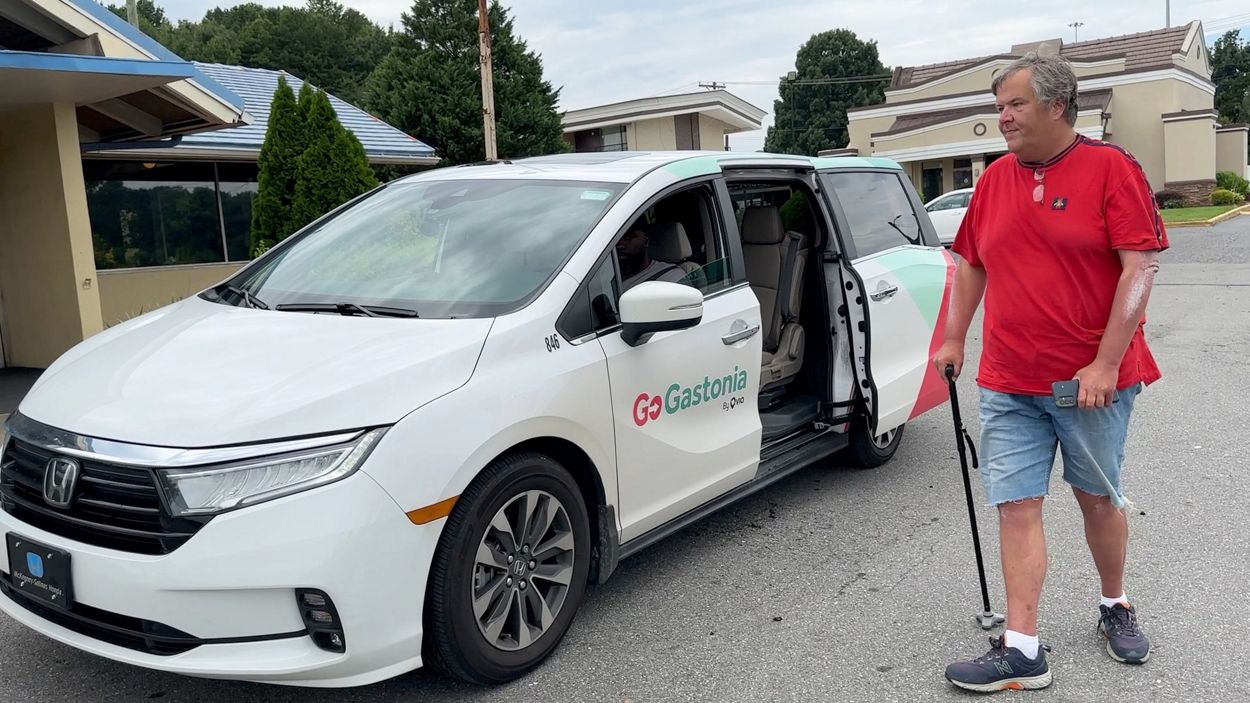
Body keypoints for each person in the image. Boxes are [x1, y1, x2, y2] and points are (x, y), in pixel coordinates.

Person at [934, 52, 1168, 693]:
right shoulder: (993, 180)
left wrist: (1106, 362)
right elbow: (973, 261)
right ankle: (1022, 648)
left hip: (1090, 385)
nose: (1003, 117)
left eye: (1015, 104)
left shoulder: (1111, 169)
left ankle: (1115, 602)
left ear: (1058, 105)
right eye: (999, 106)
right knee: (1016, 506)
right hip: (1009, 379)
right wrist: (954, 337)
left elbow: (1140, 266)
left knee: (1098, 499)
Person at [617, 221, 689, 290]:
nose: (619, 245)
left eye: (628, 237)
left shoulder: (670, 277)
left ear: (646, 241)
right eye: (617, 240)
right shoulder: (611, 273)